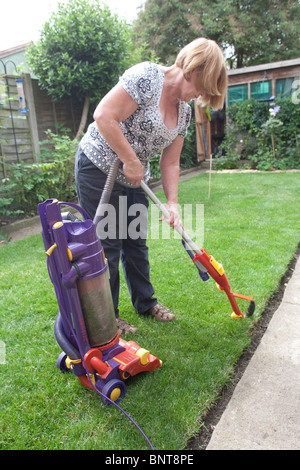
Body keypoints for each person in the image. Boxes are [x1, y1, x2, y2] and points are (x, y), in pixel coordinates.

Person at [75, 37, 227, 335]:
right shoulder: (146, 77)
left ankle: (145, 303)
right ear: (193, 69)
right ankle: (109, 318)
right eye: (201, 87)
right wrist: (130, 160)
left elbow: (171, 162)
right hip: (98, 166)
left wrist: (172, 202)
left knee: (136, 242)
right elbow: (104, 115)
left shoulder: (183, 110)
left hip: (133, 175)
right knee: (108, 246)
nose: (198, 95)